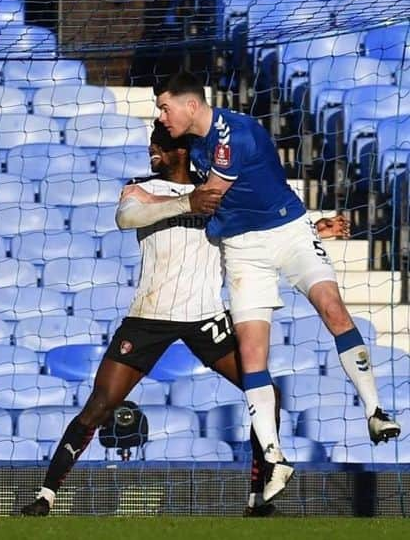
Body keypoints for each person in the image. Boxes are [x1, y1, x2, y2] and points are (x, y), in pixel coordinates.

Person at [19, 122, 351, 518]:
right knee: (100, 405)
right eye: (152, 144)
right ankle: (46, 496)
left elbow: (260, 225)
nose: (152, 150)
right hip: (149, 317)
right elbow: (127, 217)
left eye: (159, 145)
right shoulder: (142, 188)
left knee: (268, 395)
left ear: (182, 150)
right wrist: (189, 204)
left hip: (205, 317)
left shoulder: (220, 190)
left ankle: (256, 500)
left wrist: (313, 228)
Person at [155, 71, 400, 503]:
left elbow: (208, 197)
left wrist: (149, 205)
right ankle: (274, 458)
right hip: (243, 249)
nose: (161, 115)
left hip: (289, 233)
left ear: (191, 105)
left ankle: (375, 410)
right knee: (251, 355)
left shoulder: (234, 135)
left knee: (333, 309)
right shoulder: (193, 145)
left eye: (164, 106)